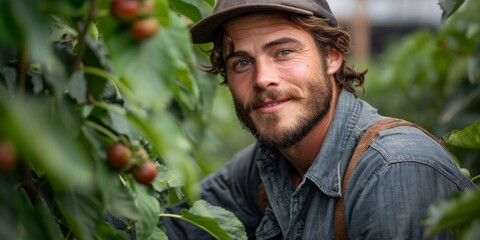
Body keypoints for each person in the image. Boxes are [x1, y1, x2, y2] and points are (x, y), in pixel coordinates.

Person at [162, 0, 477, 239]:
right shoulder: (266, 166)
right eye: (242, 62)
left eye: (283, 52)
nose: (262, 79)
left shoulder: (394, 173)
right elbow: (167, 224)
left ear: (332, 56)